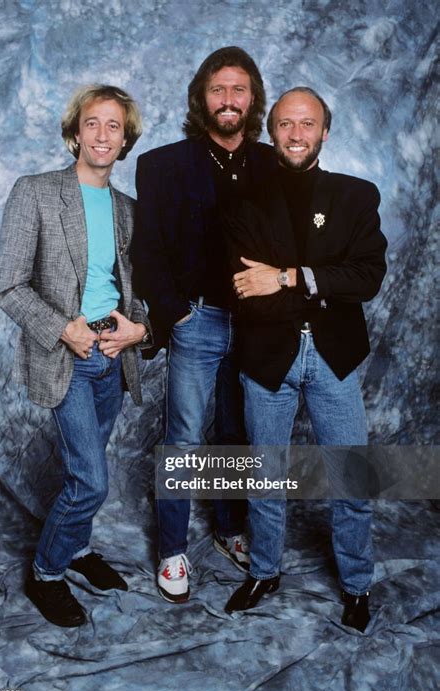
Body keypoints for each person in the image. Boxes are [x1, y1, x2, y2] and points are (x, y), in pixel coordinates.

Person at [223, 87, 387, 631]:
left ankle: (357, 586)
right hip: (268, 352)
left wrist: (289, 275)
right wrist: (319, 282)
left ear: (324, 132)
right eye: (286, 124)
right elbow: (247, 285)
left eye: (308, 124)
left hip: (334, 356)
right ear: (271, 131)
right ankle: (265, 571)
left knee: (350, 479)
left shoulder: (356, 195)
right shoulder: (244, 199)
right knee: (266, 477)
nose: (296, 134)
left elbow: (367, 278)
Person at [0, 84, 151, 627]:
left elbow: (135, 291)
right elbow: (10, 287)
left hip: (114, 354)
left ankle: (78, 550)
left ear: (125, 138)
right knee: (91, 480)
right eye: (93, 123)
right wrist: (66, 331)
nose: (103, 134)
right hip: (67, 356)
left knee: (85, 468)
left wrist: (139, 331)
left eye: (114, 126)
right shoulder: (35, 192)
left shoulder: (129, 210)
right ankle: (46, 573)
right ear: (74, 133)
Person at [130, 47, 276, 603]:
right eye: (219, 89)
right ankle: (172, 550)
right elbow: (147, 252)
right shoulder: (165, 164)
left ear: (253, 98)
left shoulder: (269, 166)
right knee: (185, 438)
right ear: (201, 98)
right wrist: (177, 313)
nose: (229, 100)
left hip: (257, 325)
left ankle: (230, 529)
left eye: (239, 89)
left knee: (235, 434)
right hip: (198, 321)